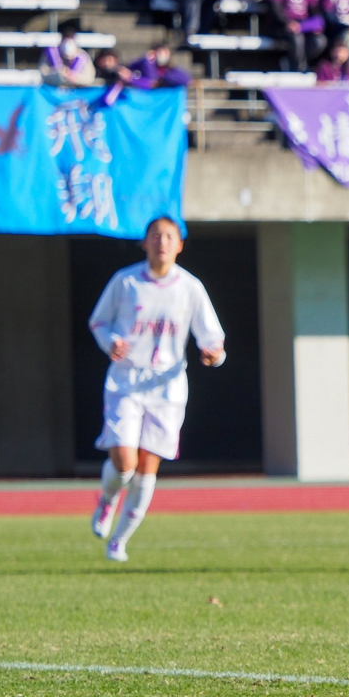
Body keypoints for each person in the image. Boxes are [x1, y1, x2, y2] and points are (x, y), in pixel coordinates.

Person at [88, 217, 226, 562]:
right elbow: (98, 321)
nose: (162, 242)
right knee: (124, 464)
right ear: (144, 243)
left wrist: (214, 355)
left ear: (180, 244)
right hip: (126, 381)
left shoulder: (190, 287)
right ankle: (107, 499)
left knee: (147, 468)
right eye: (155, 236)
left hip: (167, 387)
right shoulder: (126, 281)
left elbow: (213, 338)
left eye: (169, 237)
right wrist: (110, 343)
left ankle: (119, 541)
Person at [269, 0, 326, 72]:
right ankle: (298, 70)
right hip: (283, 25)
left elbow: (314, 9)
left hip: (303, 24)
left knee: (319, 41)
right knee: (297, 38)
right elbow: (275, 9)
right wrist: (287, 23)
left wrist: (314, 25)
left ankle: (294, 61)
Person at [125, 43, 191, 89]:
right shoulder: (145, 65)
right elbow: (152, 78)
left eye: (165, 53)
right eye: (159, 53)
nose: (162, 56)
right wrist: (147, 61)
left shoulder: (170, 70)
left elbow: (186, 79)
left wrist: (164, 77)